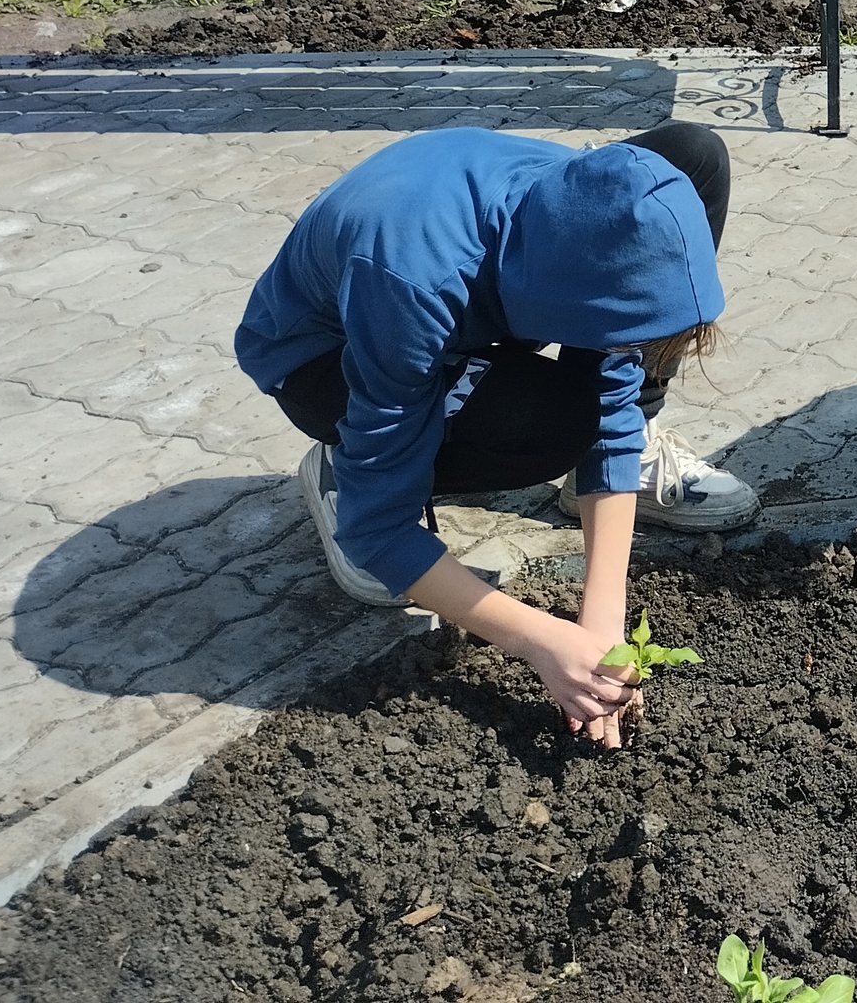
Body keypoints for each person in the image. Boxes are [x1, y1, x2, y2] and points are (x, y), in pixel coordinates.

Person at [234, 120, 761, 746]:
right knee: (550, 430)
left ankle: (404, 447)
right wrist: (541, 640)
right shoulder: (413, 281)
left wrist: (602, 623)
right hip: (322, 357)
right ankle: (350, 464)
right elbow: (378, 533)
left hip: (462, 295)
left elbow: (613, 402)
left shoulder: (587, 214)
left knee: (689, 158)